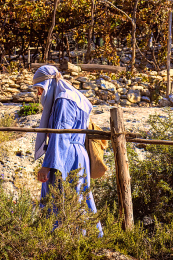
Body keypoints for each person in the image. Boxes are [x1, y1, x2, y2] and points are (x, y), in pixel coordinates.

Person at [32, 65, 103, 236]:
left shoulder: (63, 100)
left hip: (66, 155)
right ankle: (90, 238)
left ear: (48, 84)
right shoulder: (73, 96)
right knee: (79, 196)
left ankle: (60, 240)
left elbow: (60, 135)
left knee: (60, 197)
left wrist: (46, 166)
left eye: (40, 89)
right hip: (76, 154)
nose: (39, 95)